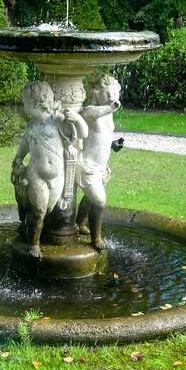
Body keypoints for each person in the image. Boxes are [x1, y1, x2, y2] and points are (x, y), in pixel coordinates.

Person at [11, 80, 88, 258]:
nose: (25, 109)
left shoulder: (58, 121)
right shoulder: (31, 127)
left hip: (58, 176)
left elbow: (83, 134)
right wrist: (17, 163)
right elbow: (22, 151)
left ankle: (27, 227)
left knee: (47, 210)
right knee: (38, 210)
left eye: (26, 104)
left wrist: (77, 118)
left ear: (39, 103)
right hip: (36, 174)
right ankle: (34, 243)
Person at [76, 74, 122, 250]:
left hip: (101, 167)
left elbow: (99, 137)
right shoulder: (93, 111)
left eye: (114, 94)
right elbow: (88, 114)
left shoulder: (107, 114)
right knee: (99, 202)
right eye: (107, 94)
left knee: (90, 198)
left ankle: (79, 223)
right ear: (97, 94)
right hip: (87, 165)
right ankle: (96, 238)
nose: (112, 99)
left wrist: (112, 144)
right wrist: (110, 107)